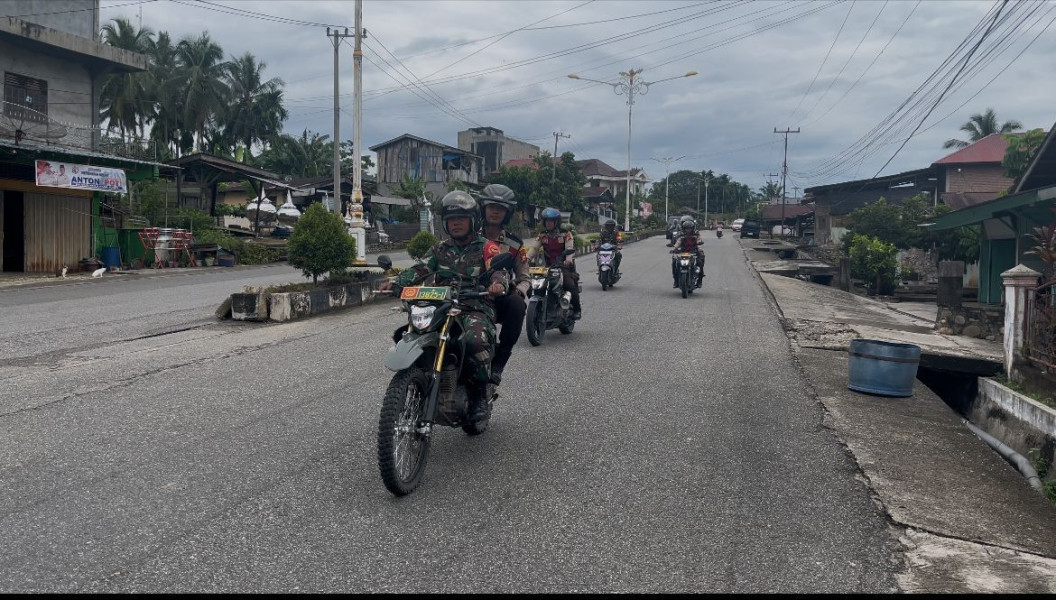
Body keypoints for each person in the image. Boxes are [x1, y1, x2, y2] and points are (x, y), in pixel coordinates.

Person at [379, 190, 508, 423]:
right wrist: (396, 282)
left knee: (474, 341)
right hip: (441, 306)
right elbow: (420, 269)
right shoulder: (439, 249)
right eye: (451, 220)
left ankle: (479, 395)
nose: (456, 224)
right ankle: (420, 379)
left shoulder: (487, 247)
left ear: (473, 221)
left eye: (461, 218)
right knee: (408, 333)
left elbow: (498, 270)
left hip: (474, 306)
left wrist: (498, 283)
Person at [478, 183, 528, 386]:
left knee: (518, 305)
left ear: (507, 213)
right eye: (491, 207)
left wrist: (519, 289)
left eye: (501, 208)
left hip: (497, 297)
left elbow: (525, 277)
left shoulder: (515, 244)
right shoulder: (466, 233)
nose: (495, 212)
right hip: (463, 295)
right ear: (483, 208)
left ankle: (499, 362)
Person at [526, 207, 582, 320]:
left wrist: (568, 259)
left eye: (551, 221)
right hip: (548, 267)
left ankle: (577, 309)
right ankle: (543, 307)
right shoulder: (542, 235)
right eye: (546, 221)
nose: (548, 223)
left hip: (564, 267)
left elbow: (570, 247)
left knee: (569, 284)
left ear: (556, 222)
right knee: (533, 285)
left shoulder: (566, 234)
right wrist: (526, 259)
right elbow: (533, 249)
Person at [670, 218, 705, 288]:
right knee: (674, 262)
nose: (688, 230)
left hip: (694, 251)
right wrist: (674, 249)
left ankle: (699, 280)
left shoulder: (696, 233)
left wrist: (699, 245)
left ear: (692, 228)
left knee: (700, 263)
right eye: (686, 228)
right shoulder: (681, 234)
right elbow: (678, 242)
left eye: (689, 228)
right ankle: (676, 280)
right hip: (683, 252)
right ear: (683, 228)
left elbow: (699, 240)